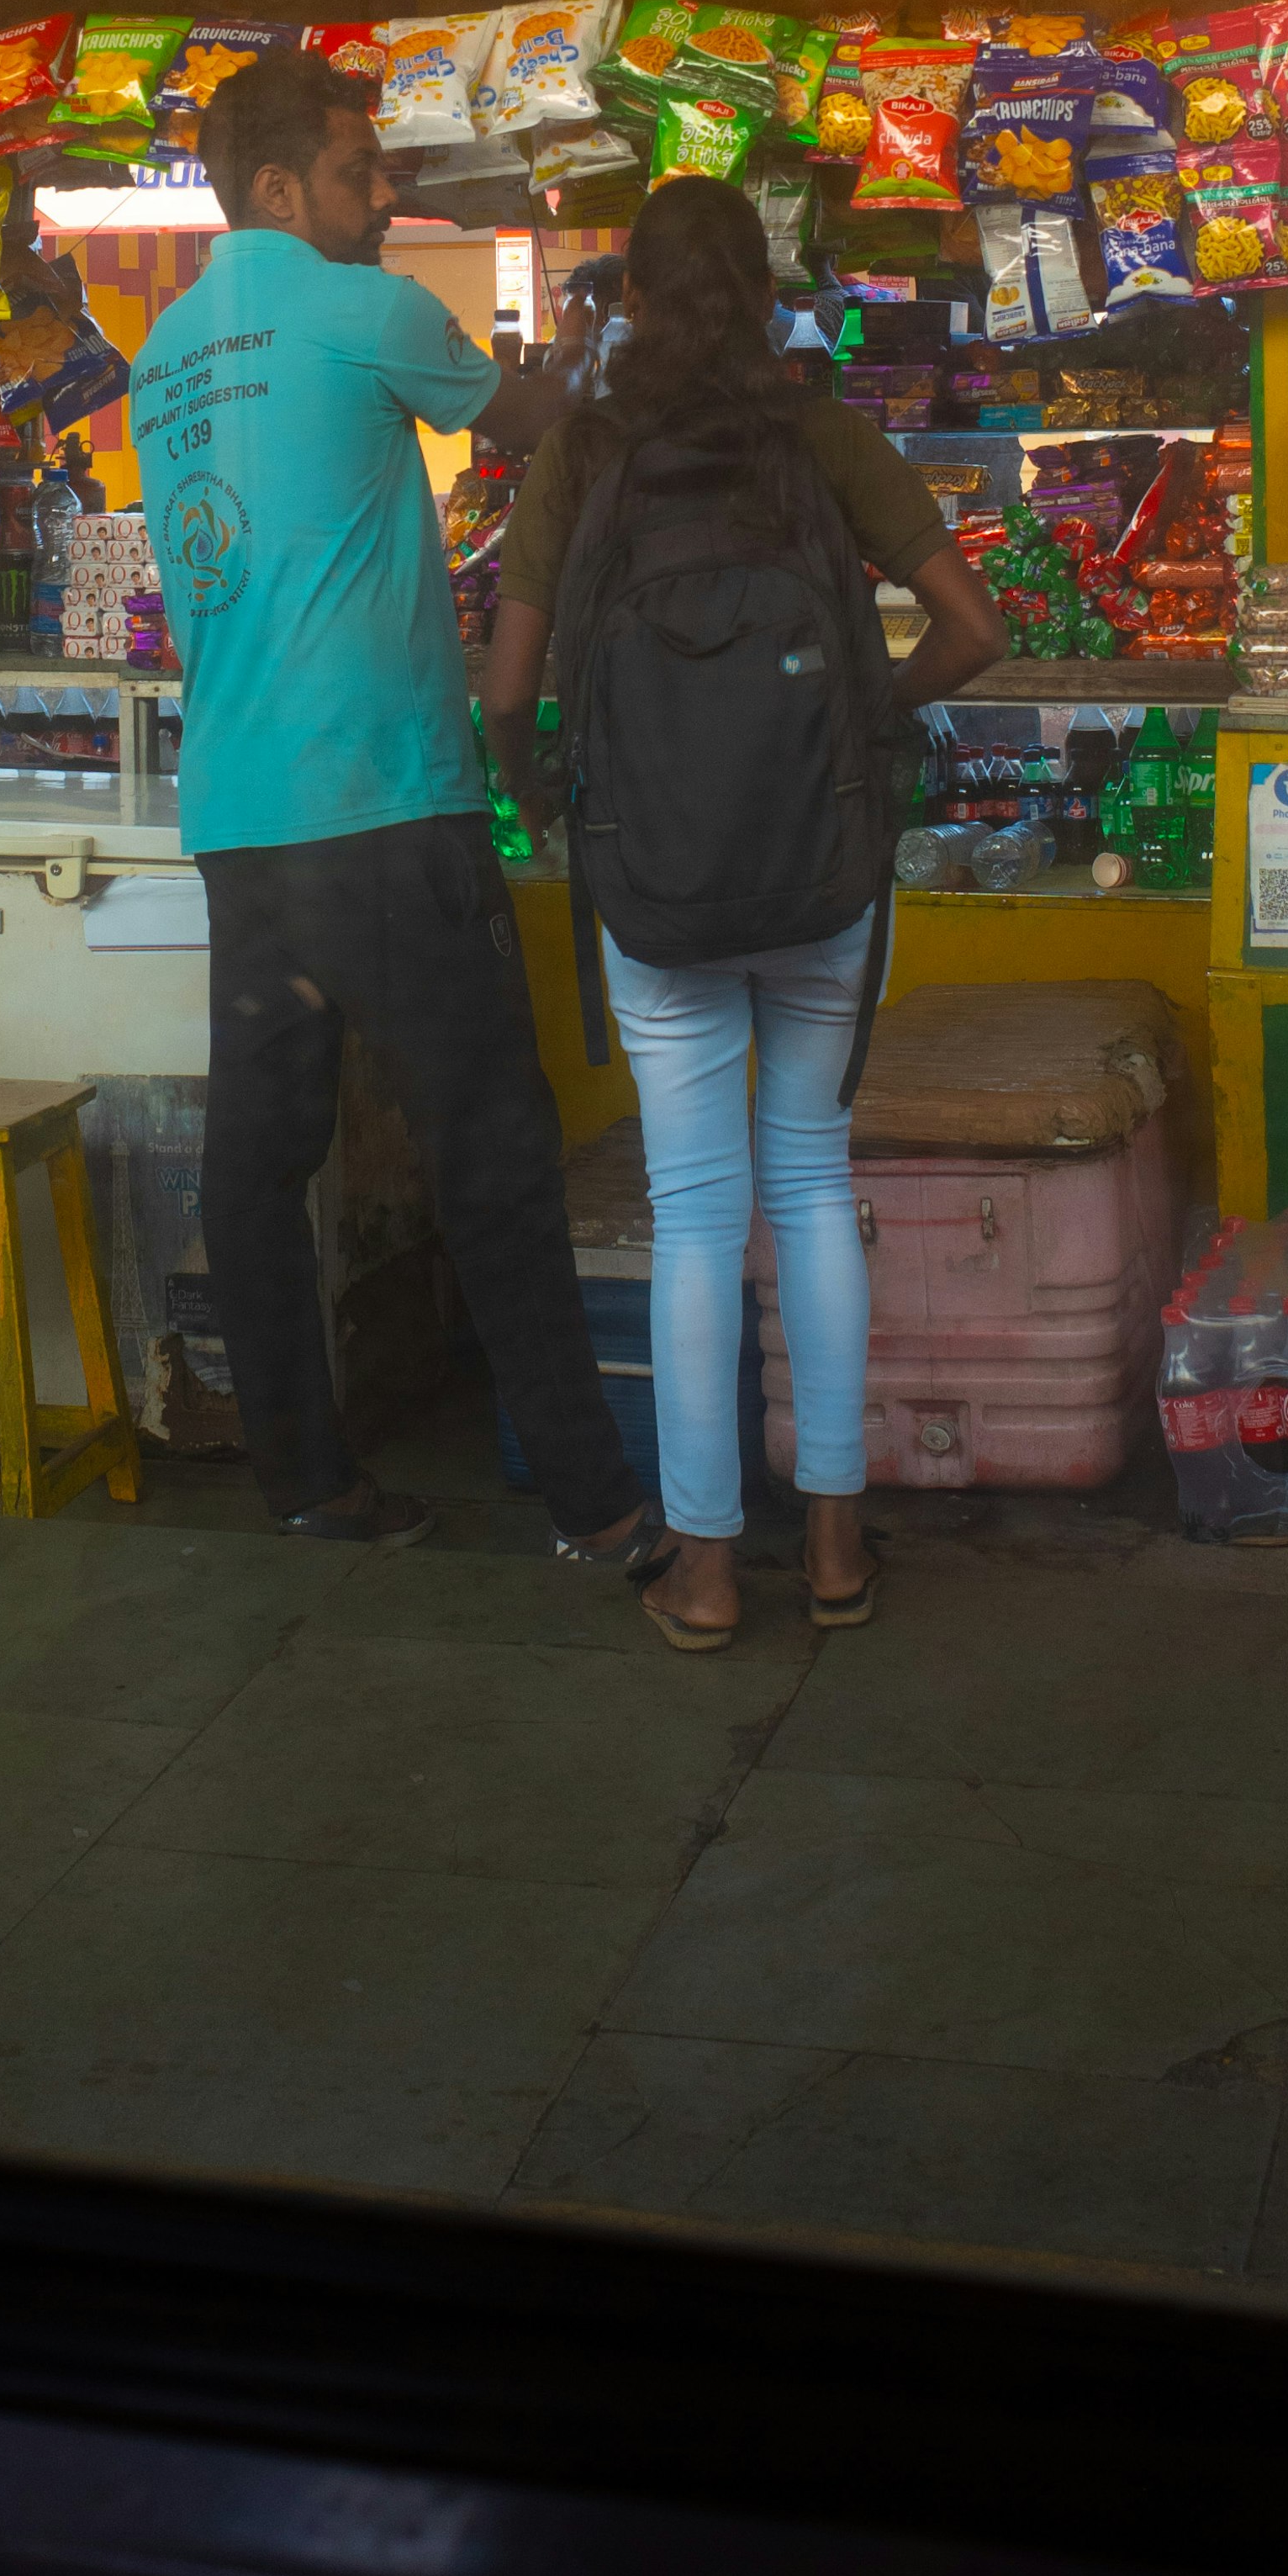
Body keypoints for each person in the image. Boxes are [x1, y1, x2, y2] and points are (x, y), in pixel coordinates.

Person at [128, 52, 653, 1566]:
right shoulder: (369, 310)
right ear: (280, 186)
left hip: (241, 816)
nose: (388, 192)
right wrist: (598, 332)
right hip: (385, 804)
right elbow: (541, 417)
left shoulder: (163, 346)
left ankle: (304, 1474)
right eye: (365, 170)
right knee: (492, 1141)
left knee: (259, 1155)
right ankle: (597, 1502)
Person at [482, 180, 1006, 1653]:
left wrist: (552, 797)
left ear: (633, 297)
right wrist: (859, 723)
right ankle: (836, 1540)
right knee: (808, 1184)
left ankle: (706, 1565)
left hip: (652, 879)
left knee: (699, 1216)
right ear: (767, 288)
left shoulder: (585, 449)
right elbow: (976, 629)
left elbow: (510, 695)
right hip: (819, 864)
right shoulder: (827, 434)